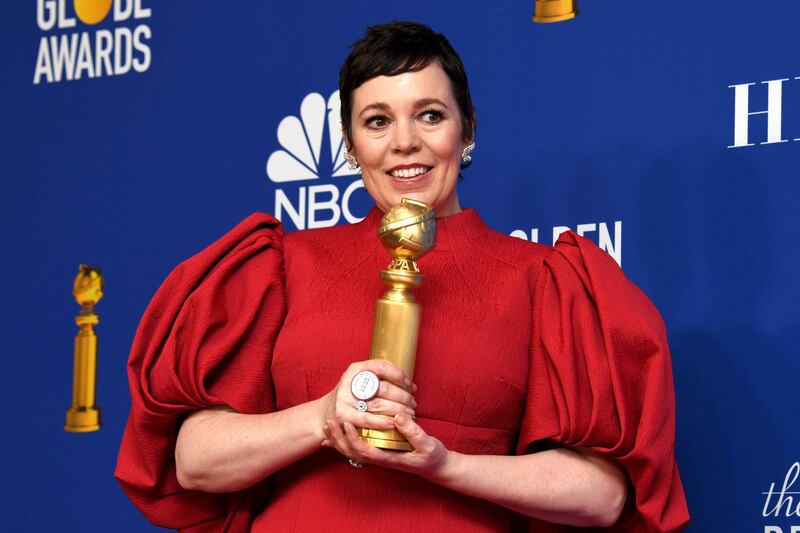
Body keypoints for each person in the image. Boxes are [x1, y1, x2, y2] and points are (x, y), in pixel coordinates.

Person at [115, 21, 689, 532]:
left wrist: (447, 465)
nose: (404, 142)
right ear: (350, 144)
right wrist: (320, 417)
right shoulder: (283, 264)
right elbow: (194, 461)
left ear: (466, 131)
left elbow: (603, 497)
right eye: (377, 121)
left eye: (430, 115)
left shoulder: (544, 278)